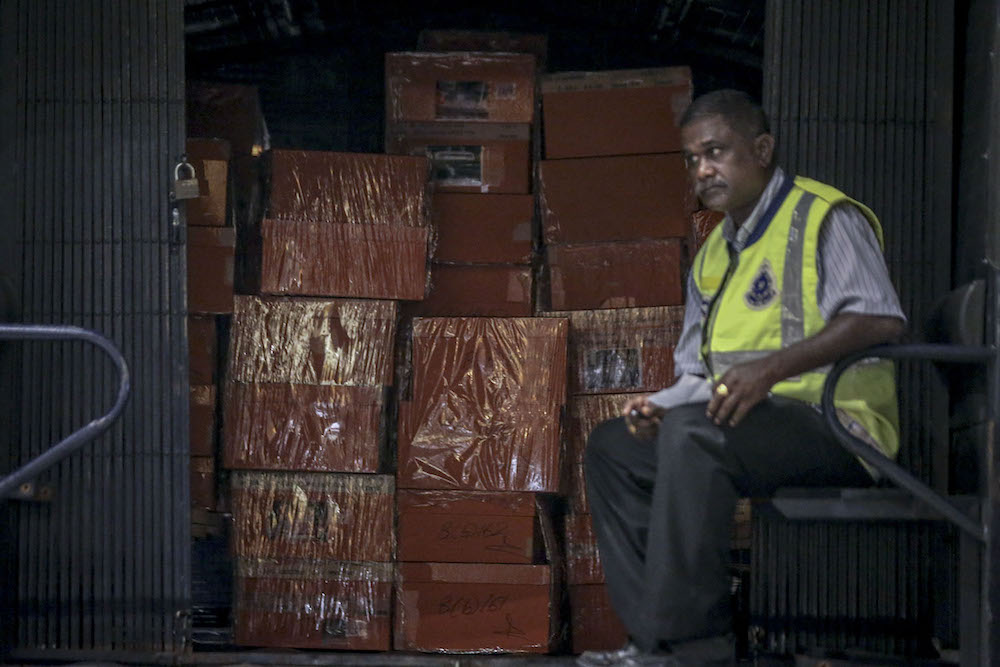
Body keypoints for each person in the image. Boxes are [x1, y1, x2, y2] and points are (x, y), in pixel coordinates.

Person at [578, 89, 906, 667]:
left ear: (761, 149)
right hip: (750, 426)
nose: (702, 169)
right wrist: (657, 405)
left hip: (838, 426)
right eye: (691, 158)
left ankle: (692, 649)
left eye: (716, 151)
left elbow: (879, 318)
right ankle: (652, 641)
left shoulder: (823, 216)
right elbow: (696, 373)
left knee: (694, 436)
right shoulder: (713, 254)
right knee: (613, 447)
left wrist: (771, 370)